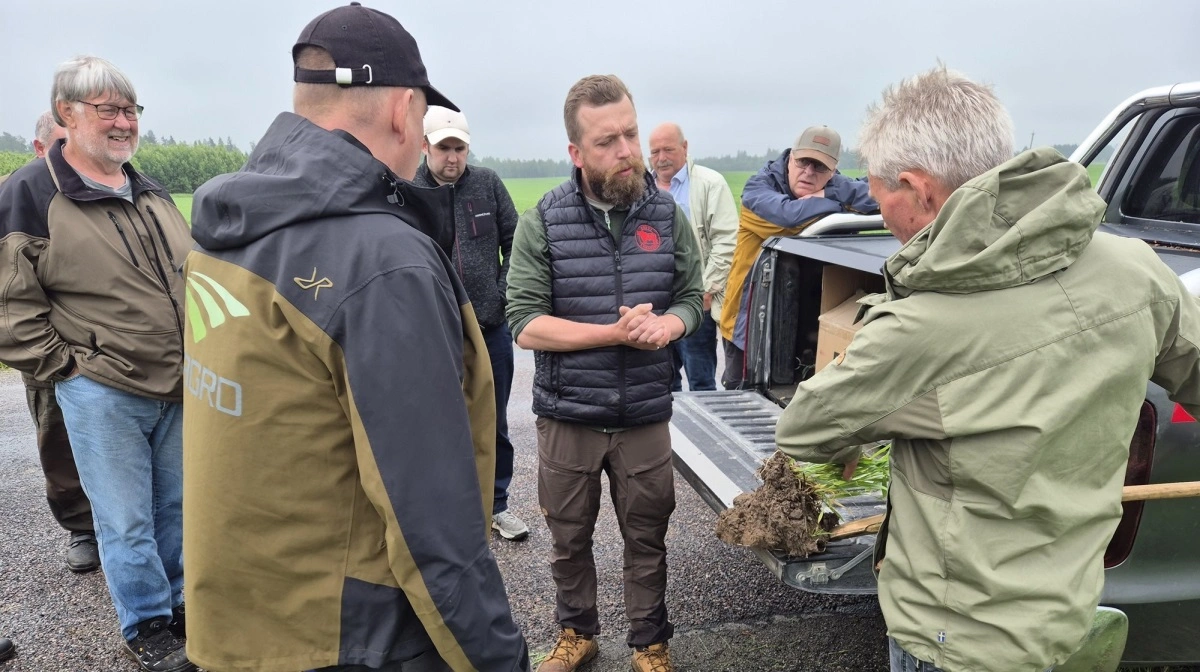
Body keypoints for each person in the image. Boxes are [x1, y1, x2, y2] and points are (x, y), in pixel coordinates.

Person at [774, 65, 1200, 672]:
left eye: (880, 195)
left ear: (918, 189)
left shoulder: (919, 332)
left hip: (954, 638)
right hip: (1067, 613)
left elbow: (804, 428)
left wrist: (862, 426)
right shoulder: (1137, 271)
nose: (881, 215)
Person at [182, 4, 529, 672]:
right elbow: (429, 518)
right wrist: (498, 659)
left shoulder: (227, 226)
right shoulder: (382, 261)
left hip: (240, 620)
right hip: (352, 634)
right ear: (403, 111)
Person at [0, 56, 194, 672]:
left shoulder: (147, 188)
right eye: (108, 109)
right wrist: (67, 368)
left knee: (176, 508)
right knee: (125, 519)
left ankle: (180, 605)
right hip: (102, 389)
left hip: (177, 381)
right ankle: (147, 625)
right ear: (66, 113)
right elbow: (9, 303)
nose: (123, 122)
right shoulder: (31, 193)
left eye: (131, 110)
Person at [506, 74, 704, 672]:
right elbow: (524, 323)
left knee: (647, 536)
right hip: (569, 413)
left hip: (644, 411)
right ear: (576, 152)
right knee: (569, 538)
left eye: (631, 134)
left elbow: (692, 297)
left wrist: (670, 326)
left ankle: (650, 643)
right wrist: (611, 335)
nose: (626, 151)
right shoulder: (544, 220)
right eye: (607, 142)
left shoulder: (666, 216)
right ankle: (577, 634)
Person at [413, 106, 528, 542]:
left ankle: (496, 505)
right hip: (434, 330)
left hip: (490, 329)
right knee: (439, 421)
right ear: (425, 146)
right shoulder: (408, 190)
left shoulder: (487, 184)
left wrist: (500, 295)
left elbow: (515, 242)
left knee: (492, 421)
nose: (453, 157)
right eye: (444, 148)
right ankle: (449, 511)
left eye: (459, 148)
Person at [0, 111, 99, 574]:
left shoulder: (99, 185)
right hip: (52, 346)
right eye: (62, 141)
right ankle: (82, 526)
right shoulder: (17, 195)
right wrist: (57, 360)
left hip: (107, 346)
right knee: (60, 441)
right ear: (41, 148)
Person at [719, 126, 877, 389]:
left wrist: (828, 194)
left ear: (834, 171)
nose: (809, 172)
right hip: (751, 327)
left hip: (807, 322)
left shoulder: (834, 187)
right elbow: (788, 217)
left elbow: (880, 195)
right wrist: (840, 202)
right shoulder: (757, 190)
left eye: (820, 166)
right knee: (744, 396)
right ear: (790, 158)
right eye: (804, 161)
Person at [648, 122, 737, 392]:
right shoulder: (640, 189)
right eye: (655, 152)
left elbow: (726, 241)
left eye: (668, 149)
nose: (661, 158)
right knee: (661, 382)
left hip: (694, 300)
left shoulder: (710, 184)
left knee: (701, 381)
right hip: (654, 303)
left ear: (685, 147)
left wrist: (705, 291)